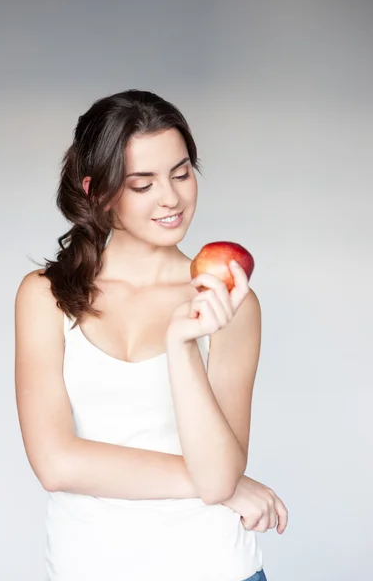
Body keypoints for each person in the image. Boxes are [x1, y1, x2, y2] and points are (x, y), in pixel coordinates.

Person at [14, 89, 288, 581]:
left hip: (214, 566)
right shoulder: (44, 295)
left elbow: (219, 466)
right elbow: (55, 463)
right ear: (97, 191)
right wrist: (222, 484)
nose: (172, 197)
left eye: (182, 173)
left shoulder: (230, 303)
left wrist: (182, 344)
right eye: (143, 184)